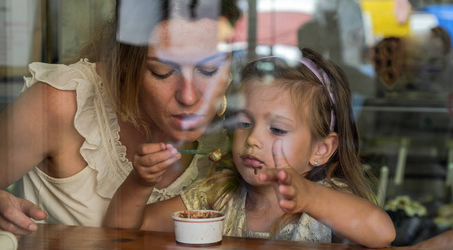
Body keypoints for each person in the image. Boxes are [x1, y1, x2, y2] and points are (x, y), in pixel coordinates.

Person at [0, 0, 241, 237]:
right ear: (127, 60)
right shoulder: (60, 103)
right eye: (162, 71)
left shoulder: (241, 127)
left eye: (210, 70)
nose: (189, 97)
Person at [103, 48, 396, 248]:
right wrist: (140, 182)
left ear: (321, 149)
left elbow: (382, 232)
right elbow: (124, 230)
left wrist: (310, 198)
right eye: (244, 123)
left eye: (277, 129)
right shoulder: (217, 196)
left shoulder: (332, 199)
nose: (253, 139)